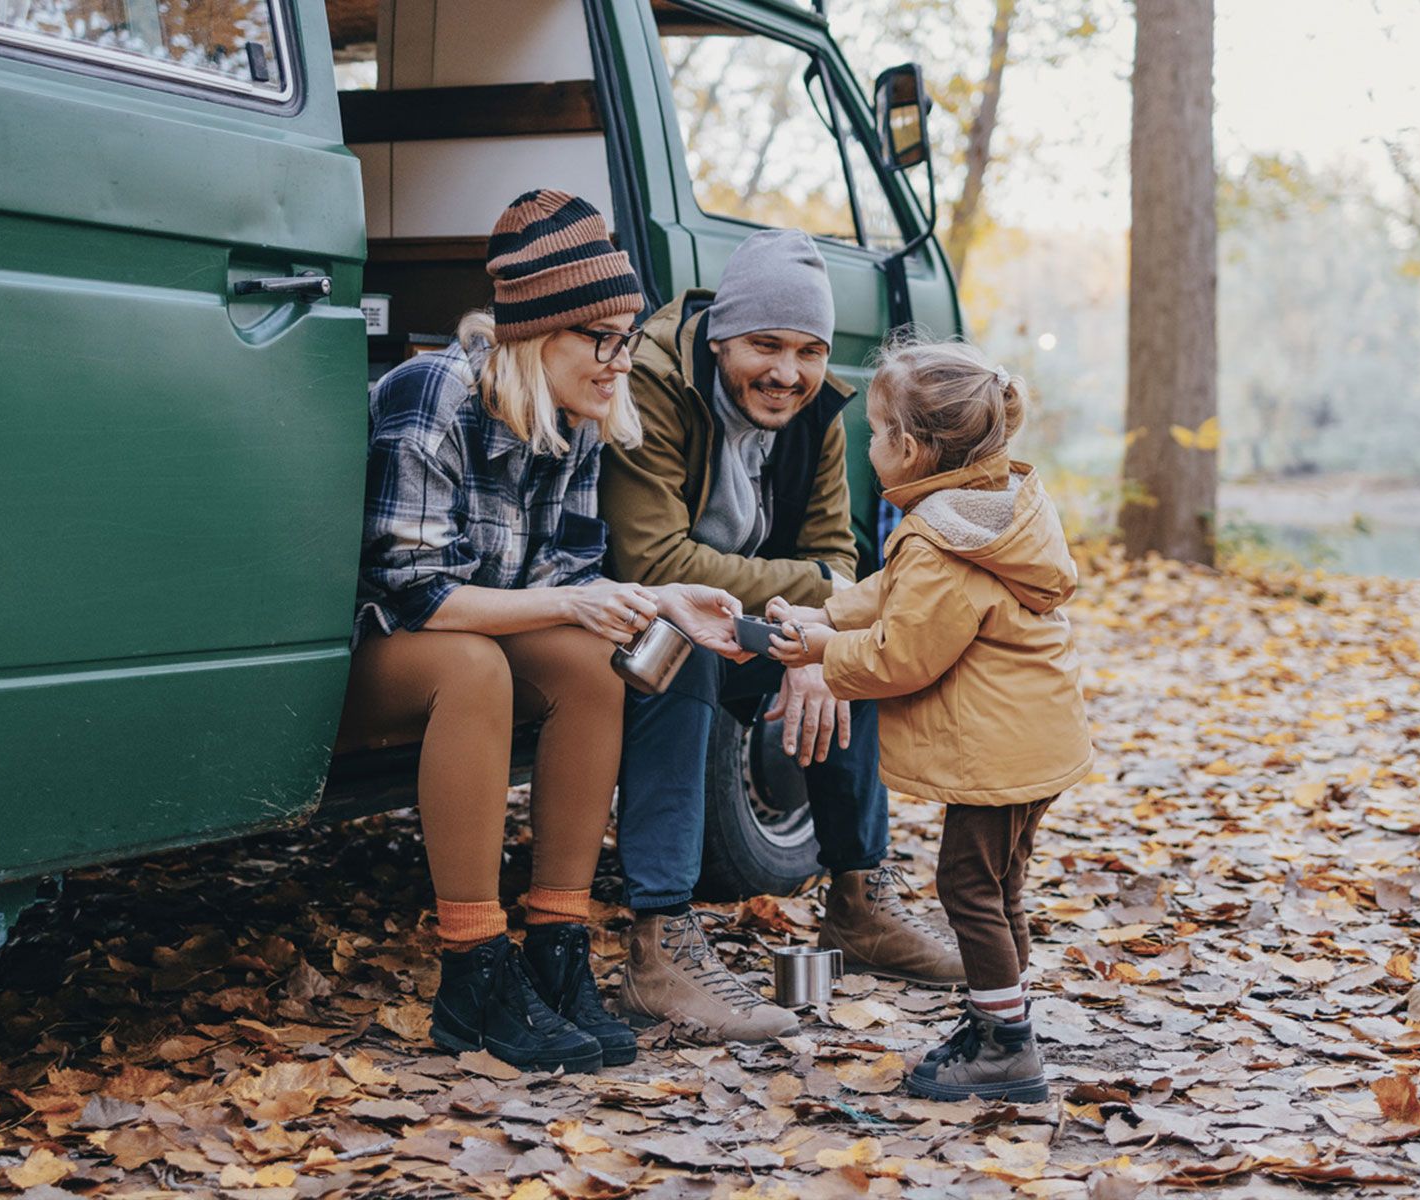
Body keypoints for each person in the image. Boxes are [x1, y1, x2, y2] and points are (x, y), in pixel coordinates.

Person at [340, 189, 745, 1074]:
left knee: (592, 669)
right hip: (370, 658)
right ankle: (472, 967)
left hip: (467, 642)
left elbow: (564, 580)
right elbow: (414, 595)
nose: (620, 362)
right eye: (602, 339)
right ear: (537, 334)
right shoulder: (433, 395)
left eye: (628, 338)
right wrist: (572, 604)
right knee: (478, 667)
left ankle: (554, 951)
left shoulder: (576, 418)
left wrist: (665, 600)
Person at [600, 230, 966, 1043]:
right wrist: (817, 606)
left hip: (743, 617)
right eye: (765, 345)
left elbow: (836, 553)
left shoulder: (818, 408)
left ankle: (859, 905)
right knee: (677, 642)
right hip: (627, 614)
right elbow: (654, 557)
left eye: (807, 350)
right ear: (723, 334)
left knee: (854, 657)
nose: (787, 372)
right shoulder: (655, 384)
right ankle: (659, 941)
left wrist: (811, 642)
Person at [767, 337, 1094, 1101]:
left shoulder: (940, 539)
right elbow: (891, 594)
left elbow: (900, 655)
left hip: (1000, 750)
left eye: (877, 433)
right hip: (1031, 737)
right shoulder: (979, 512)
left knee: (967, 889)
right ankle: (997, 1016)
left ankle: (1007, 1047)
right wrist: (824, 610)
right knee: (998, 884)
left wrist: (820, 649)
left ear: (909, 448)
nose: (870, 445)